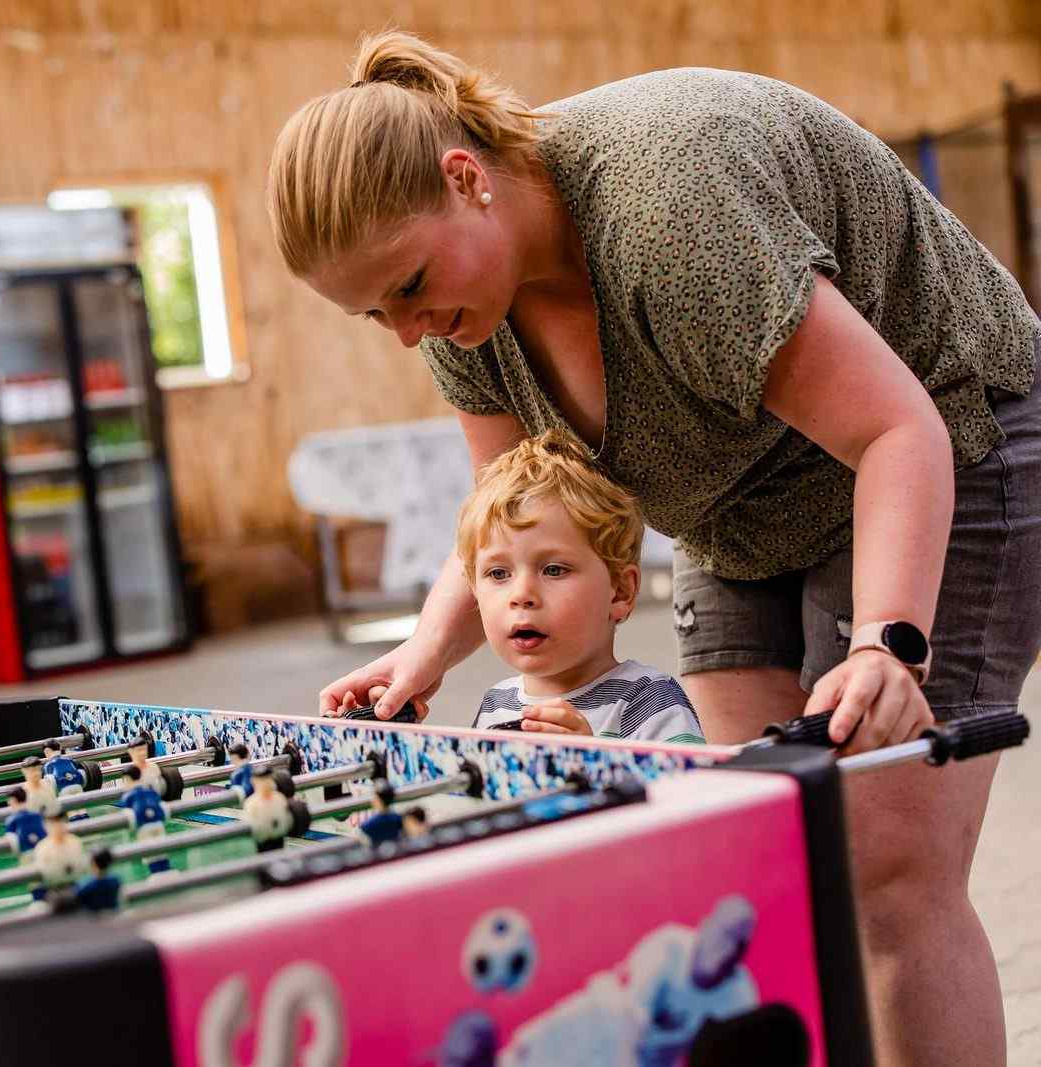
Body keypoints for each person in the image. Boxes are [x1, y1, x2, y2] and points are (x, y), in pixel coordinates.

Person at [271, 30, 1041, 1067]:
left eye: (407, 286)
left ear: (466, 179)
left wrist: (886, 643)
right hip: (734, 508)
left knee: (879, 871)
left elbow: (895, 429)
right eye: (377, 314)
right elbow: (504, 506)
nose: (407, 330)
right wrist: (424, 654)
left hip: (946, 439)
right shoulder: (467, 317)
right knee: (758, 847)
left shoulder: (665, 211)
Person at [461, 431, 703, 743]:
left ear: (620, 591)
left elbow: (687, 789)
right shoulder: (495, 705)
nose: (521, 595)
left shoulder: (650, 702)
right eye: (497, 574)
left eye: (553, 569)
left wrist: (596, 759)